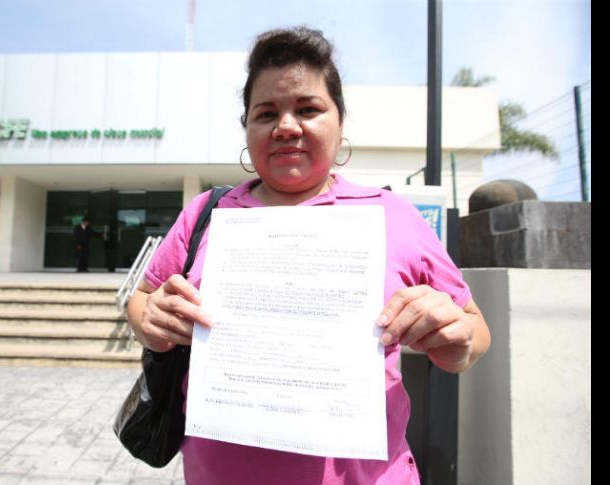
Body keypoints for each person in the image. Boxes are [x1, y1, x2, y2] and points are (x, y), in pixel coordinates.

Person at [126, 26, 491, 485]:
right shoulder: (206, 213)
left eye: (308, 109)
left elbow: (475, 329)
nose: (285, 126)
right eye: (265, 113)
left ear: (340, 122)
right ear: (247, 128)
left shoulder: (393, 215)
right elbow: (142, 298)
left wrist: (458, 341)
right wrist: (150, 321)